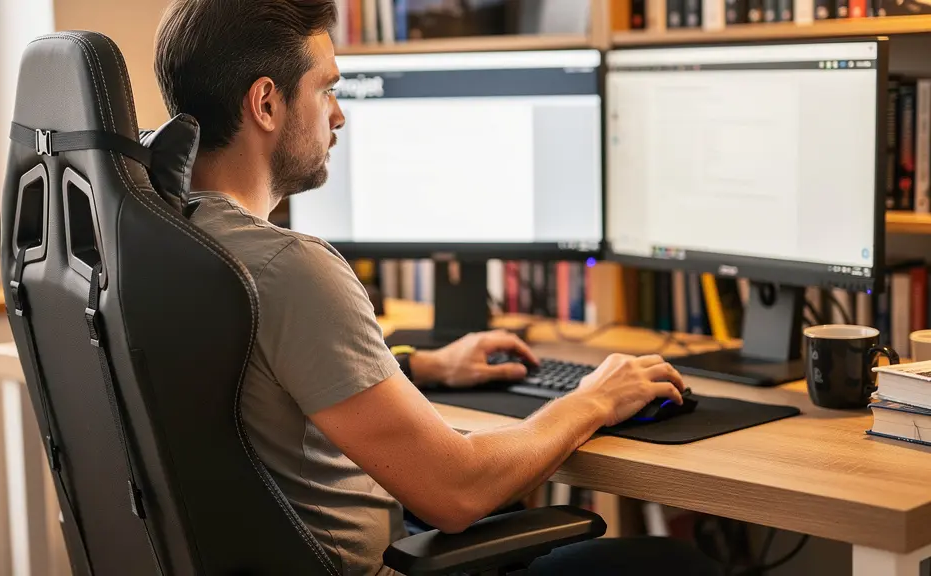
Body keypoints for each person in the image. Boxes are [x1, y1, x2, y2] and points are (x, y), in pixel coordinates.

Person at [153, 1, 720, 575]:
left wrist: (416, 366)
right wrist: (593, 397)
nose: (339, 116)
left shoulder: (163, 242)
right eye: (327, 89)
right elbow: (458, 491)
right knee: (672, 565)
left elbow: (254, 385)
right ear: (267, 103)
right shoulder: (288, 267)